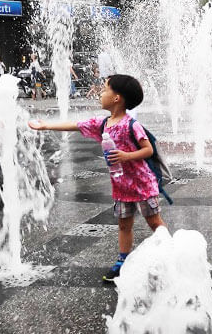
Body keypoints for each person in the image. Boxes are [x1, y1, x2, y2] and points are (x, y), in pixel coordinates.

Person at [29, 74, 167, 282]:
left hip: (142, 184)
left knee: (154, 221)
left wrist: (127, 156)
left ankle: (170, 253)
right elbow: (76, 125)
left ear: (117, 98)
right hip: (121, 186)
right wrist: (46, 125)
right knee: (123, 224)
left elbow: (147, 150)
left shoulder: (131, 125)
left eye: (105, 90)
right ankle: (123, 261)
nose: (101, 93)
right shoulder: (103, 124)